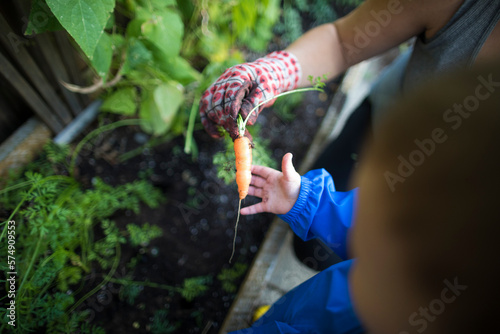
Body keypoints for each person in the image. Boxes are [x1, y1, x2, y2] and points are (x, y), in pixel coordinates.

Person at [227, 62, 500, 333]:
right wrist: (306, 201)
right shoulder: (418, 244)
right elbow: (361, 220)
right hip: (312, 308)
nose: (370, 219)